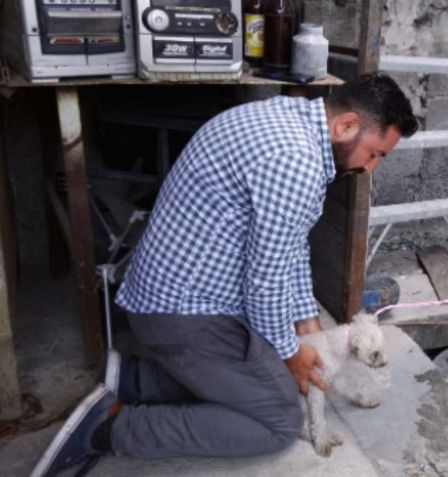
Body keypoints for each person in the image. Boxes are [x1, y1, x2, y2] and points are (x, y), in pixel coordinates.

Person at [31, 73, 418, 477]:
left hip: (178, 299)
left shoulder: (287, 119)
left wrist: (305, 321)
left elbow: (291, 245)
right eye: (375, 154)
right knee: (280, 417)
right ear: (347, 126)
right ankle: (113, 427)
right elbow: (265, 283)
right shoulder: (296, 160)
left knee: (274, 369)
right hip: (182, 313)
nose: (370, 168)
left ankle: (134, 379)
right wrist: (290, 352)